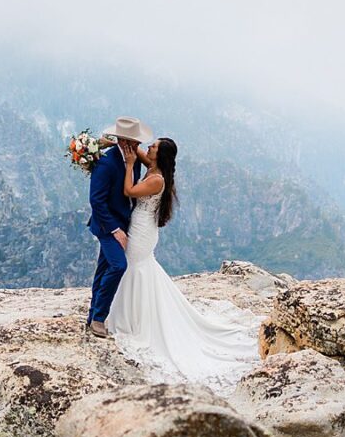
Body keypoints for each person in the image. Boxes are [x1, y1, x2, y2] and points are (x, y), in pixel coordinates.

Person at [105, 136, 261, 390]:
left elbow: (129, 191)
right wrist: (123, 142)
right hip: (140, 225)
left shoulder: (155, 178)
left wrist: (131, 162)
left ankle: (133, 318)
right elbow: (137, 152)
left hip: (143, 230)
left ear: (160, 155)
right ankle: (132, 313)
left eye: (153, 147)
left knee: (135, 268)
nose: (149, 148)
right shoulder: (154, 168)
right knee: (139, 269)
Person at [85, 116, 149, 338]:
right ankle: (99, 318)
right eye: (135, 141)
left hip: (124, 221)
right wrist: (115, 230)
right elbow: (96, 201)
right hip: (107, 226)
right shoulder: (105, 164)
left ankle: (92, 316)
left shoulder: (135, 160)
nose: (139, 145)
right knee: (118, 266)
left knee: (103, 269)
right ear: (125, 141)